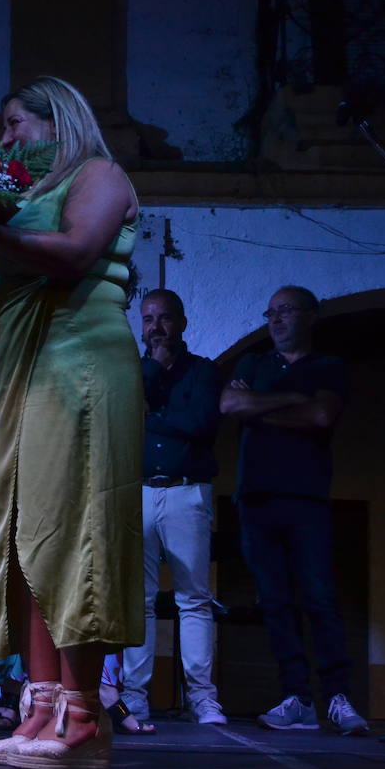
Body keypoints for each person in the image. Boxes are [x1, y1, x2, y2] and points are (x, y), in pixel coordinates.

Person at [0, 76, 143, 769]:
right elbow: (16, 298)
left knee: (77, 533)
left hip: (81, 367)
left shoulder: (99, 174)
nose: (6, 138)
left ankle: (83, 715)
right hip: (24, 372)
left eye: (15, 124)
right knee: (24, 537)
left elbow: (76, 255)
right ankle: (41, 703)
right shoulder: (16, 198)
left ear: (60, 119)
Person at [219, 285, 369, 736]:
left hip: (306, 498)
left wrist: (259, 408)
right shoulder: (252, 364)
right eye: (271, 312)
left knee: (320, 598)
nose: (276, 319)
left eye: (286, 311)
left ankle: (338, 698)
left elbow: (323, 418)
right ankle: (298, 698)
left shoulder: (329, 367)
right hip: (256, 498)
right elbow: (229, 404)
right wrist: (294, 400)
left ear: (310, 316)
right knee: (276, 603)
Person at [119, 288, 227, 728]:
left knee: (194, 599)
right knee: (138, 601)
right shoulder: (132, 372)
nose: (155, 327)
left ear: (181, 323)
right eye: (147, 319)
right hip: (138, 491)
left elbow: (202, 424)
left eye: (164, 318)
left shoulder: (204, 372)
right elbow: (121, 417)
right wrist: (150, 384)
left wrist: (151, 415)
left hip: (188, 492)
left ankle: (202, 698)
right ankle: (135, 697)